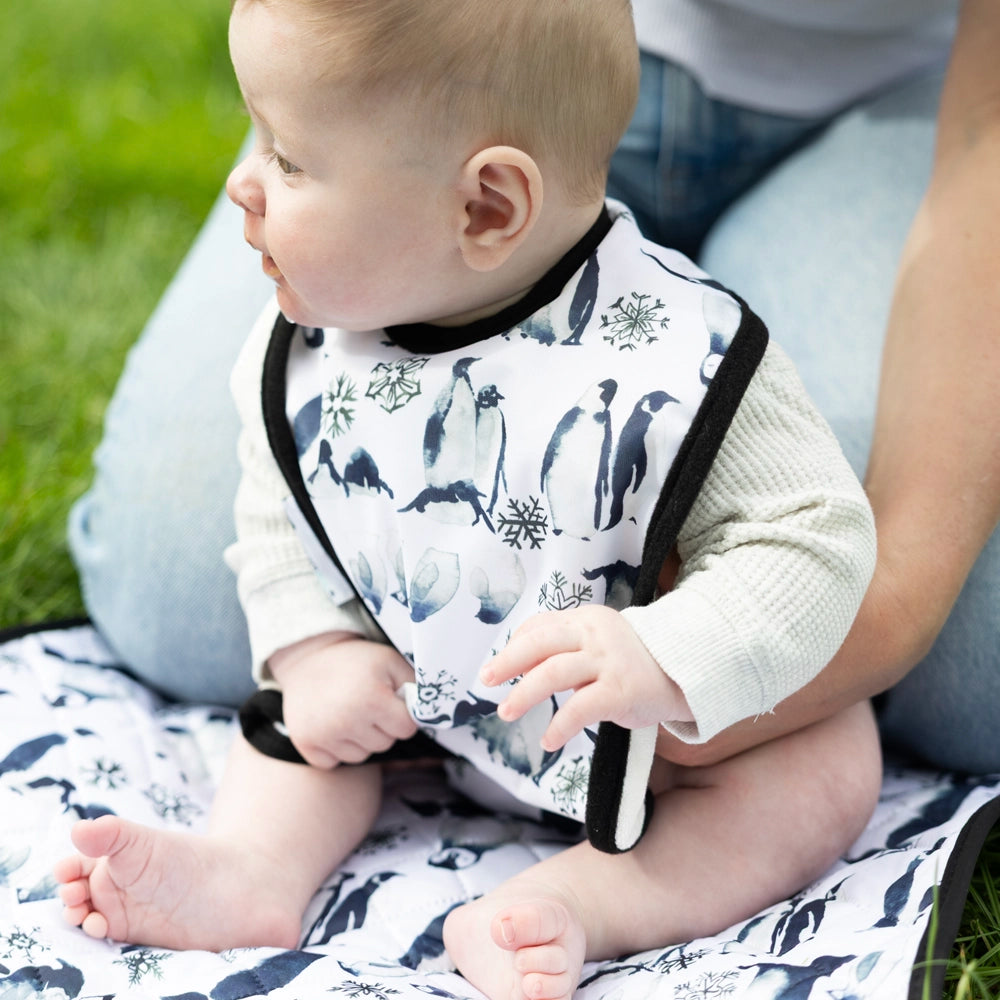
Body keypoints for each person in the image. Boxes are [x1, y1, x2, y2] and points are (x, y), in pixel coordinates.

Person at [54, 1, 882, 997]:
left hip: (648, 740)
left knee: (826, 767)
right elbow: (284, 501)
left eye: (287, 159)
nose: (240, 182)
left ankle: (583, 902)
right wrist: (314, 650)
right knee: (292, 717)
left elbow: (812, 536)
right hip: (410, 698)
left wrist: (670, 655)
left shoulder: (681, 363)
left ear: (485, 207)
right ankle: (252, 864)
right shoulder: (322, 341)